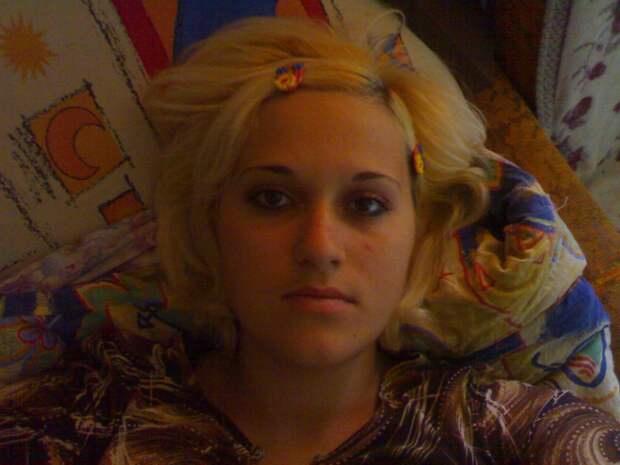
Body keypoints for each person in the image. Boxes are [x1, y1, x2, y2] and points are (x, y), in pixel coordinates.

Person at [1, 15, 619, 465]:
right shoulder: (81, 420)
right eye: (272, 199)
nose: (320, 246)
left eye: (366, 205)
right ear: (211, 226)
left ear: (420, 239)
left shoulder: (511, 435)